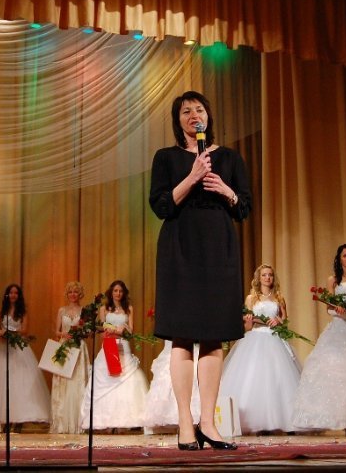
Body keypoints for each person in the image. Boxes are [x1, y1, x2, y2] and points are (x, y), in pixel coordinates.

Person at [149, 90, 251, 450]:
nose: (194, 115)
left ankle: (208, 422)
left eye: (199, 109)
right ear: (178, 121)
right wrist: (192, 177)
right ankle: (185, 424)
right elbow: (160, 206)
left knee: (213, 335)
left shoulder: (230, 157)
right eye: (186, 111)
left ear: (208, 116)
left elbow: (244, 207)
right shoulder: (166, 157)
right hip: (180, 248)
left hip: (218, 249)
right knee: (181, 336)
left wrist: (225, 189)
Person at [292, 244, 346, 433]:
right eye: (345, 255)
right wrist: (338, 310)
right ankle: (343, 420)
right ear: (339, 259)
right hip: (339, 329)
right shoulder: (333, 280)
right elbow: (329, 308)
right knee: (336, 371)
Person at [219, 264, 301, 434]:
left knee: (279, 378)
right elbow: (247, 326)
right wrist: (249, 321)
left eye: (270, 275)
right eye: (264, 275)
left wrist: (278, 321)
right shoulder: (251, 298)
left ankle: (288, 421)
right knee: (256, 377)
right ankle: (260, 423)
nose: (267, 278)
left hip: (275, 339)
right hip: (255, 338)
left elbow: (285, 321)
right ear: (259, 278)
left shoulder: (279, 298)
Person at [0, 283, 51, 428]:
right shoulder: (1, 312)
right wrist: (0, 334)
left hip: (18, 347)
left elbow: (25, 330)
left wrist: (10, 332)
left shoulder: (23, 312)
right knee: (3, 379)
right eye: (11, 293)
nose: (13, 295)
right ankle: (5, 418)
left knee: (20, 380)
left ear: (19, 295)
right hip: (3, 347)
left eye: (16, 293)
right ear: (7, 295)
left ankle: (19, 419)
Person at [79, 280, 148, 431]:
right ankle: (106, 421)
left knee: (126, 379)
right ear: (111, 292)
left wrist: (121, 330)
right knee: (107, 377)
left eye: (120, 291)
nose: (118, 293)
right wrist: (110, 331)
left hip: (123, 345)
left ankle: (125, 421)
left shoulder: (128, 308)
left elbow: (131, 330)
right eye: (115, 290)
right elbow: (102, 329)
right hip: (109, 345)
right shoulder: (104, 308)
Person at [49, 281, 89, 434]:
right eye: (70, 292)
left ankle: (78, 422)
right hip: (64, 347)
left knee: (77, 381)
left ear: (80, 294)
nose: (73, 294)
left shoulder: (84, 311)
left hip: (78, 347)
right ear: (67, 294)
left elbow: (87, 332)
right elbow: (56, 332)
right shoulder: (62, 310)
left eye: (75, 292)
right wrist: (63, 334)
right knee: (63, 382)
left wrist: (80, 333)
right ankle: (62, 422)